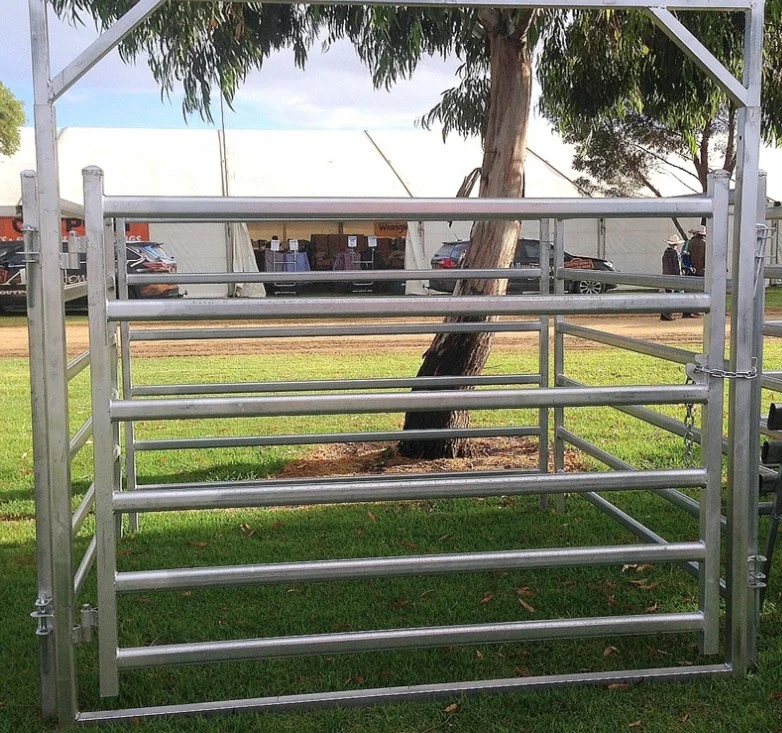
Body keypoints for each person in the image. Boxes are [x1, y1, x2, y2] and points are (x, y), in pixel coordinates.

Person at [681, 225, 706, 318]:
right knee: (699, 291)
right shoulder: (706, 244)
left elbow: (684, 255)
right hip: (701, 271)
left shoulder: (688, 243)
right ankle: (695, 309)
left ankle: (687, 311)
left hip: (689, 269)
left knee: (688, 291)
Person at [661, 234, 683, 321]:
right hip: (673, 277)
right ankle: (667, 314)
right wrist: (680, 277)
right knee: (672, 297)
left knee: (667, 295)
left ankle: (664, 313)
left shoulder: (665, 253)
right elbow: (677, 267)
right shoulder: (675, 254)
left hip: (666, 276)